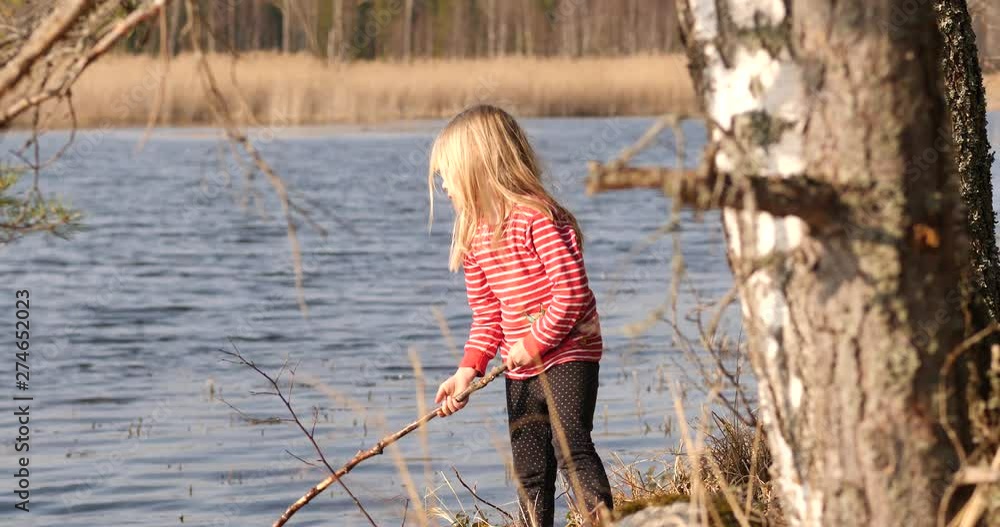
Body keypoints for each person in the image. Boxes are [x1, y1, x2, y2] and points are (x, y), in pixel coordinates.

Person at [428, 104, 613, 527]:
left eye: (448, 175)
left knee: (571, 448)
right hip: (521, 367)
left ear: (479, 168)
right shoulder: (475, 238)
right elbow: (488, 317)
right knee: (530, 469)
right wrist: (467, 371)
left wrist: (534, 343)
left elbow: (571, 294)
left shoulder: (539, 220)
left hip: (568, 353)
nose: (444, 186)